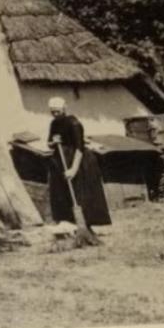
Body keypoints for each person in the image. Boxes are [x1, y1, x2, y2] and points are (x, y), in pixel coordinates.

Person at [46, 96, 111, 230]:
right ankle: (70, 224)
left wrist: (73, 170)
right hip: (60, 160)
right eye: (52, 111)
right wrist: (53, 142)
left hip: (79, 161)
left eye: (57, 111)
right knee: (62, 192)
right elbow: (49, 144)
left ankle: (86, 225)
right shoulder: (54, 124)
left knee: (80, 192)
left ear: (64, 109)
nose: (55, 114)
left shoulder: (74, 123)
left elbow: (79, 147)